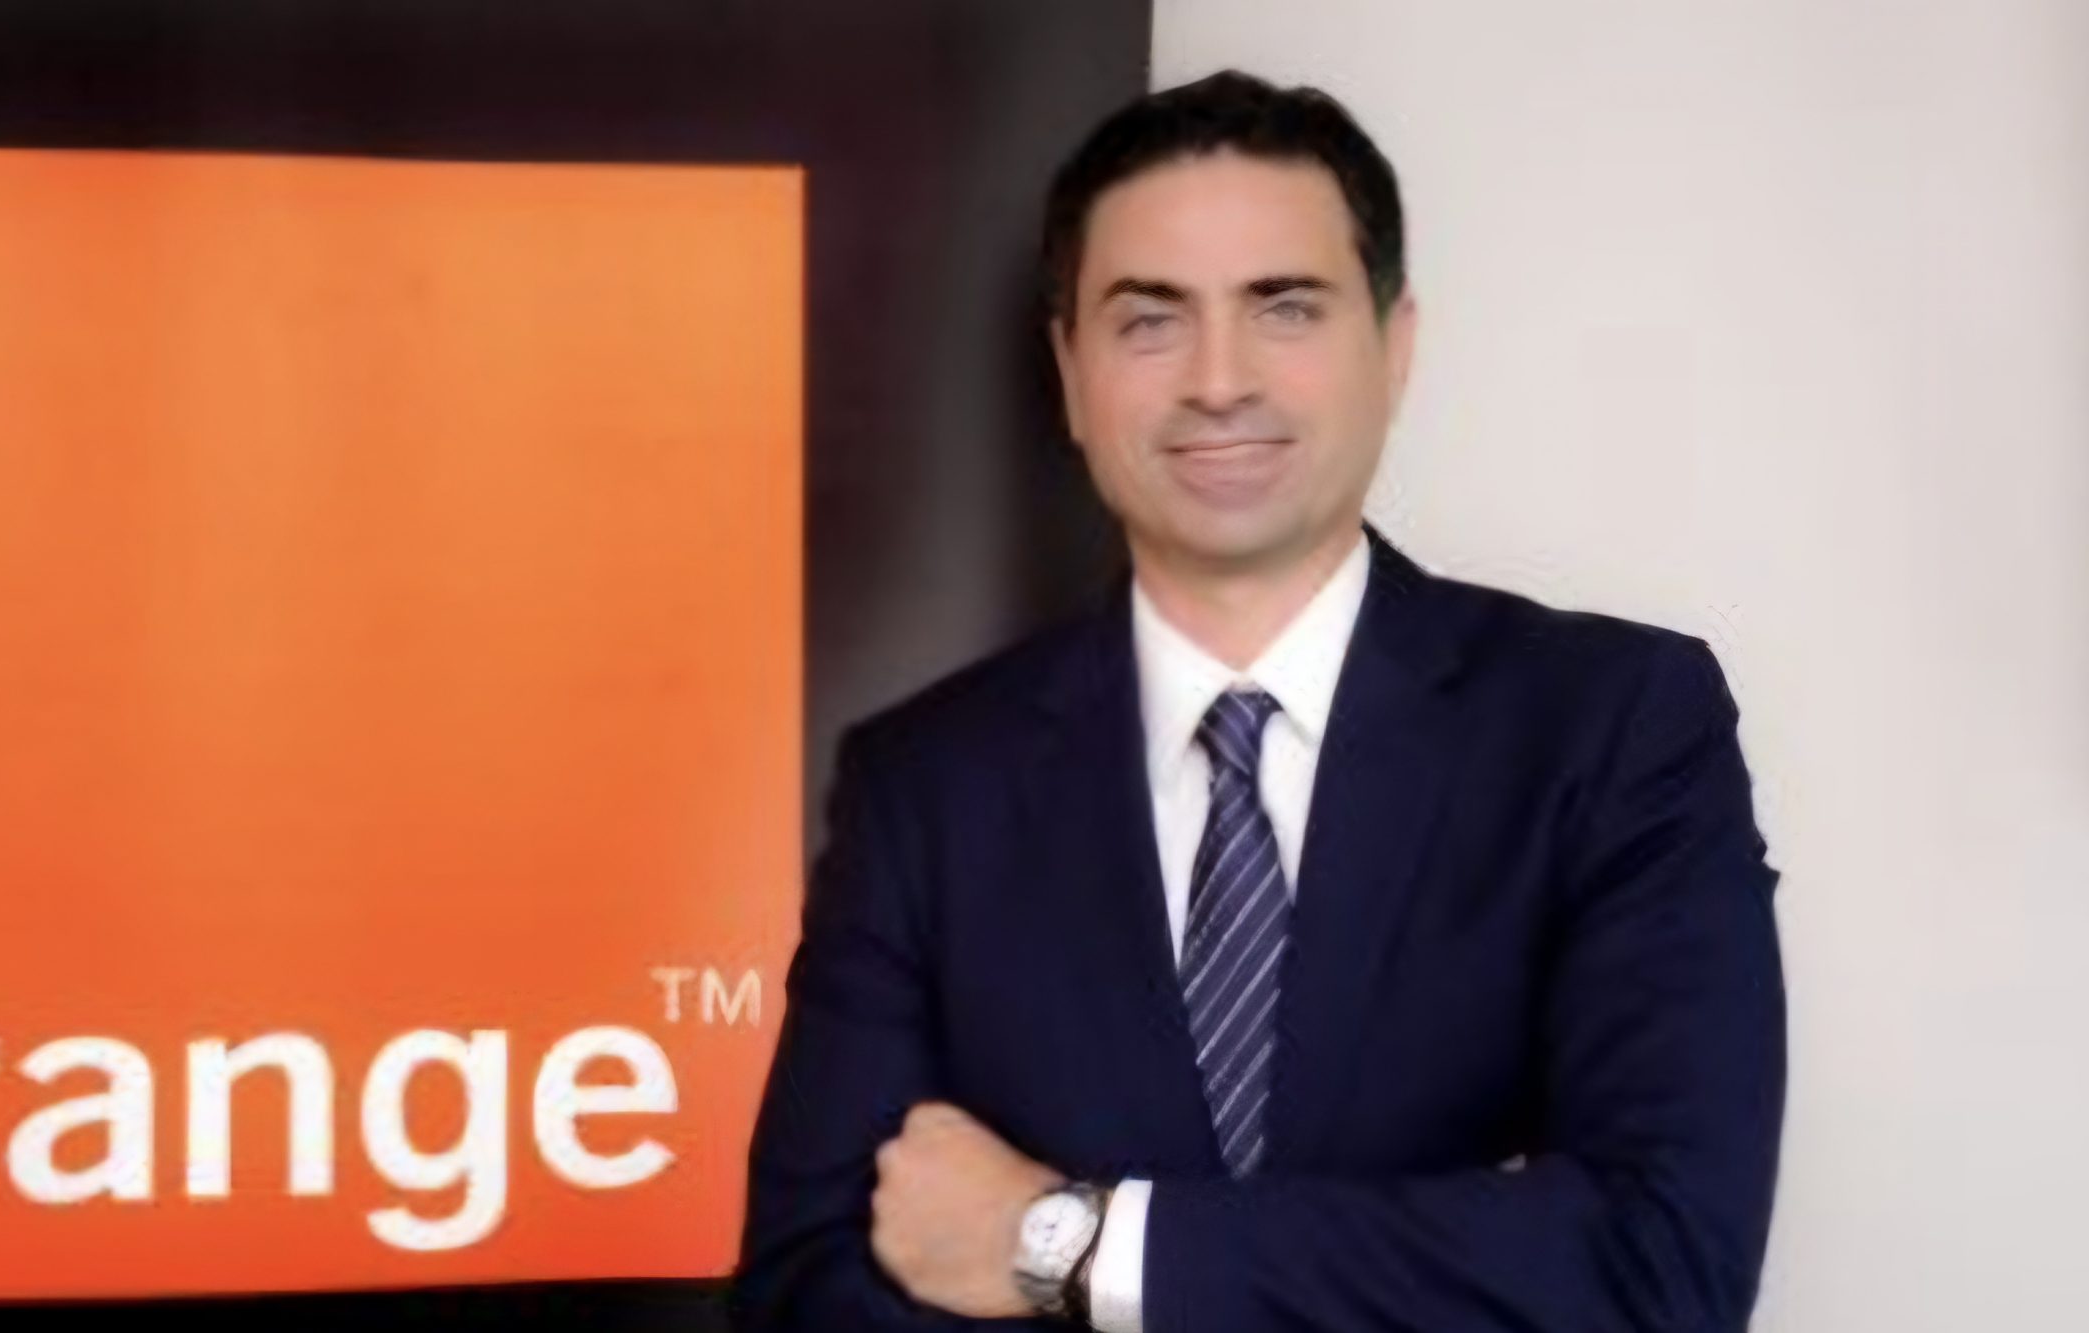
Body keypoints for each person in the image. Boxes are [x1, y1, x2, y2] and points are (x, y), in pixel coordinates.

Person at [730, 68, 1786, 1331]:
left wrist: (1064, 1239)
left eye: (1284, 307)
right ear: (1069, 370)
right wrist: (1470, 1247)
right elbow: (812, 1291)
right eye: (1149, 318)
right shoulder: (927, 782)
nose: (1218, 379)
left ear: (1394, 347)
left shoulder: (1613, 728)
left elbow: (1655, 1267)